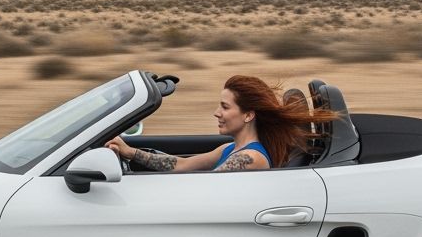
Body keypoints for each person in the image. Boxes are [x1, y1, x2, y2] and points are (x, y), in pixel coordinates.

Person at [105, 74, 328, 173]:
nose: (216, 113)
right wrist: (130, 152)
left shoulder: (248, 158)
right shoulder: (231, 149)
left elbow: (205, 189)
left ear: (248, 115)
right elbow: (181, 165)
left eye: (225, 107)